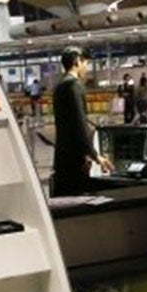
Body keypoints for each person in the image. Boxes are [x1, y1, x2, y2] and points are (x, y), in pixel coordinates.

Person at [50, 46, 103, 194]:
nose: (86, 68)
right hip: (74, 161)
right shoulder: (74, 85)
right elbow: (80, 124)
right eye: (86, 63)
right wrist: (94, 155)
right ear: (77, 61)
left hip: (61, 158)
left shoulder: (59, 87)